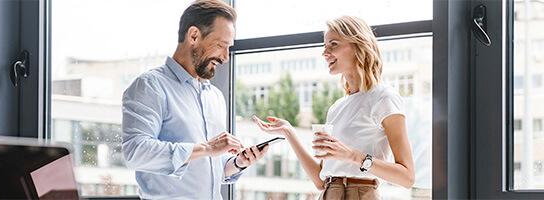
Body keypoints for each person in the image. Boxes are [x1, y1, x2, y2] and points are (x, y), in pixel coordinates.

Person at [253, 16, 415, 200]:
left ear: (358, 45)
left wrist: (353, 156)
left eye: (334, 44)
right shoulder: (337, 108)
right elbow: (320, 180)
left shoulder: (384, 97)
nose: (325, 53)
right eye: (325, 46)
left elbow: (407, 177)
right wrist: (289, 132)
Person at [121, 1, 268, 199]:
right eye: (220, 45)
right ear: (194, 36)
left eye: (229, 48)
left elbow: (205, 170)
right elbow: (135, 152)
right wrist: (207, 148)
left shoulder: (214, 96)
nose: (225, 57)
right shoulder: (150, 86)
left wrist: (237, 163)